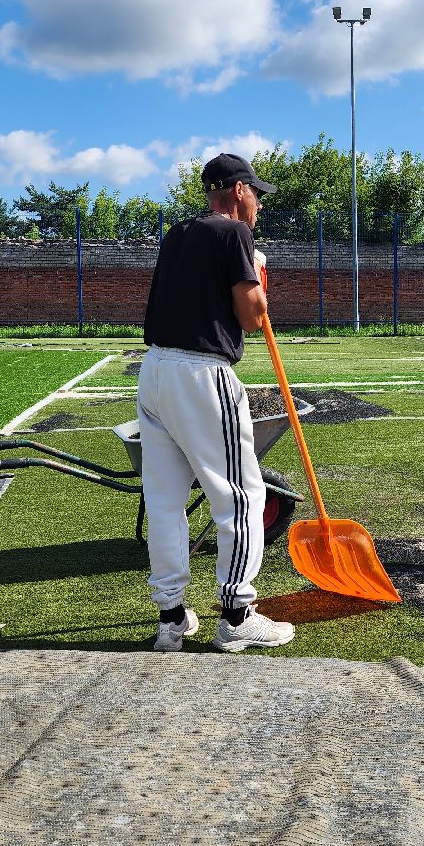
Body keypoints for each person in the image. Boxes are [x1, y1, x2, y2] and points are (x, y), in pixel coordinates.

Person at [136, 153, 295, 652]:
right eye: (258, 198)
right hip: (202, 375)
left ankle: (171, 619)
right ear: (241, 192)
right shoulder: (234, 235)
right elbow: (251, 318)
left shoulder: (179, 234)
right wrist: (258, 277)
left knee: (165, 502)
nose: (259, 210)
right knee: (244, 496)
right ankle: (236, 614)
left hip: (154, 370)